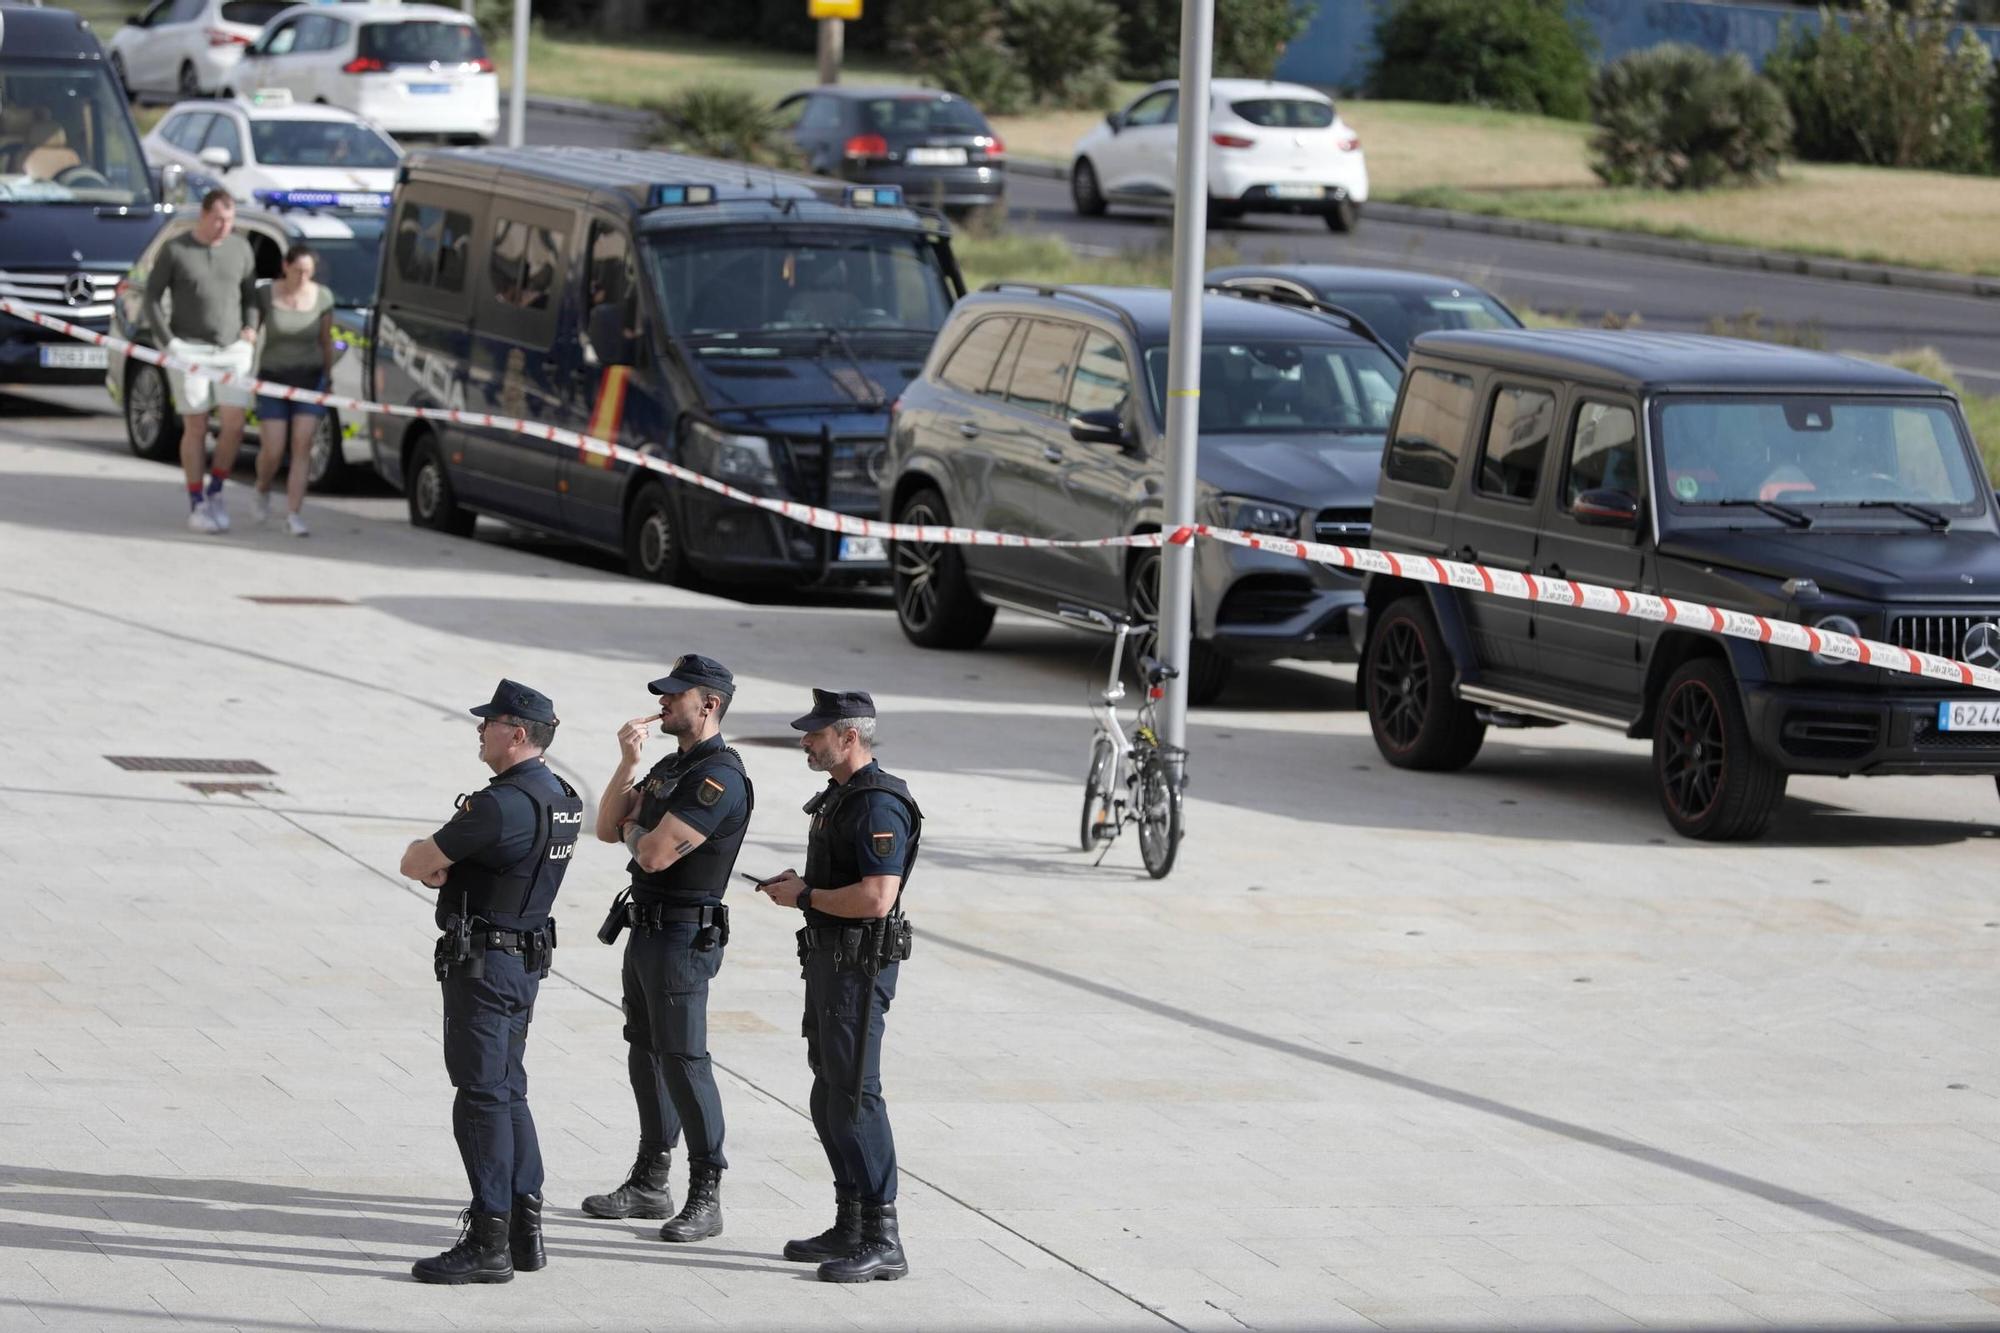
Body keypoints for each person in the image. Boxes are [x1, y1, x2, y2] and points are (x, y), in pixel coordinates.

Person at [398, 680, 582, 1285]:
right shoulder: (562, 796)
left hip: (485, 964)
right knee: (508, 1090)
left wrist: (442, 866)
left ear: (518, 733)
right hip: (523, 958)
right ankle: (525, 1231)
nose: (480, 730)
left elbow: (417, 861)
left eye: (489, 722)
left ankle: (489, 1239)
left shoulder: (498, 804)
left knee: (479, 1095)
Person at [582, 655, 754, 1244]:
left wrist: (638, 834)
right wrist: (627, 763)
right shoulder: (664, 768)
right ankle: (651, 1179)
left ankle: (706, 1193)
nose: (662, 703)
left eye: (674, 696)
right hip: (646, 928)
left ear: (708, 705)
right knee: (646, 1051)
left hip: (684, 935)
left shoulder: (719, 778)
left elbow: (651, 854)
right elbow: (607, 827)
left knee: (684, 1059)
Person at [756, 689, 920, 1283]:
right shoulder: (841, 797)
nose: (805, 740)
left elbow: (878, 898)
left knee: (853, 1093)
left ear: (849, 737)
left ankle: (883, 1237)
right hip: (829, 962)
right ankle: (850, 1221)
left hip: (858, 967)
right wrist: (805, 884)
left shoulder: (877, 804)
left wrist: (806, 897)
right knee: (829, 1090)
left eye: (816, 733)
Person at [143, 188, 259, 535]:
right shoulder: (177, 249)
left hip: (231, 349)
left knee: (234, 424)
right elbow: (151, 298)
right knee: (196, 425)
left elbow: (251, 295)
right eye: (219, 220)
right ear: (204, 216)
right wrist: (170, 343)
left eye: (230, 220)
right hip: (189, 348)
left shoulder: (241, 248)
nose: (224, 227)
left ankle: (217, 489)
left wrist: (250, 327)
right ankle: (196, 500)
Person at [251, 243, 336, 537]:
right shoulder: (266, 295)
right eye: (298, 271)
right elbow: (252, 330)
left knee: (302, 445)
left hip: (309, 379)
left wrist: (328, 375)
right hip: (273, 377)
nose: (303, 277)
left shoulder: (322, 297)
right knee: (273, 449)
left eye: (308, 272)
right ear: (285, 267)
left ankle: (294, 513)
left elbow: (326, 340)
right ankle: (262, 487)